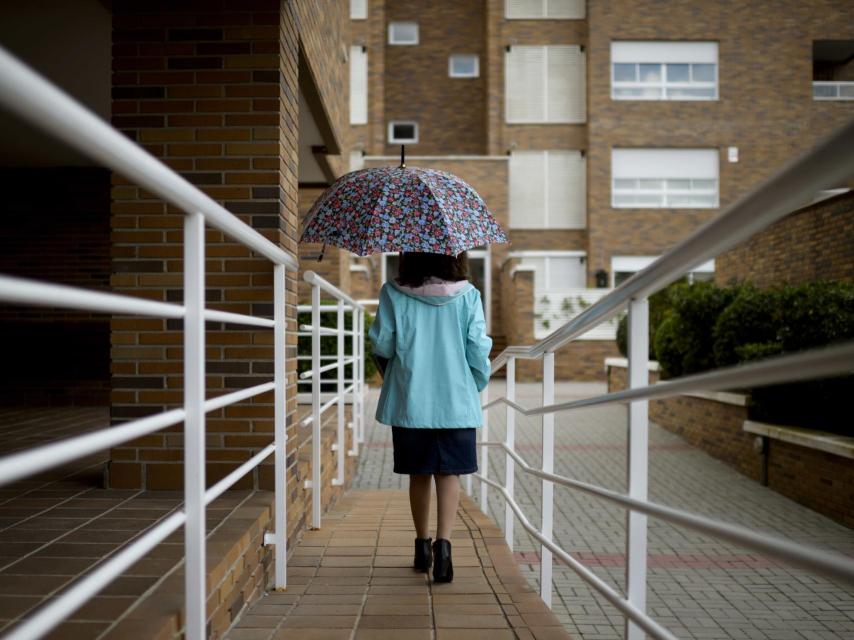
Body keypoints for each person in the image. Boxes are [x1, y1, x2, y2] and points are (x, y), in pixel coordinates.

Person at [368, 251, 492, 583]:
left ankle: (422, 547)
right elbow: (478, 349)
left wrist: (395, 373)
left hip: (411, 400)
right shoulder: (469, 295)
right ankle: (445, 548)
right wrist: (472, 385)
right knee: (449, 473)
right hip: (456, 401)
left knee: (419, 474)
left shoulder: (393, 292)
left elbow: (382, 343)